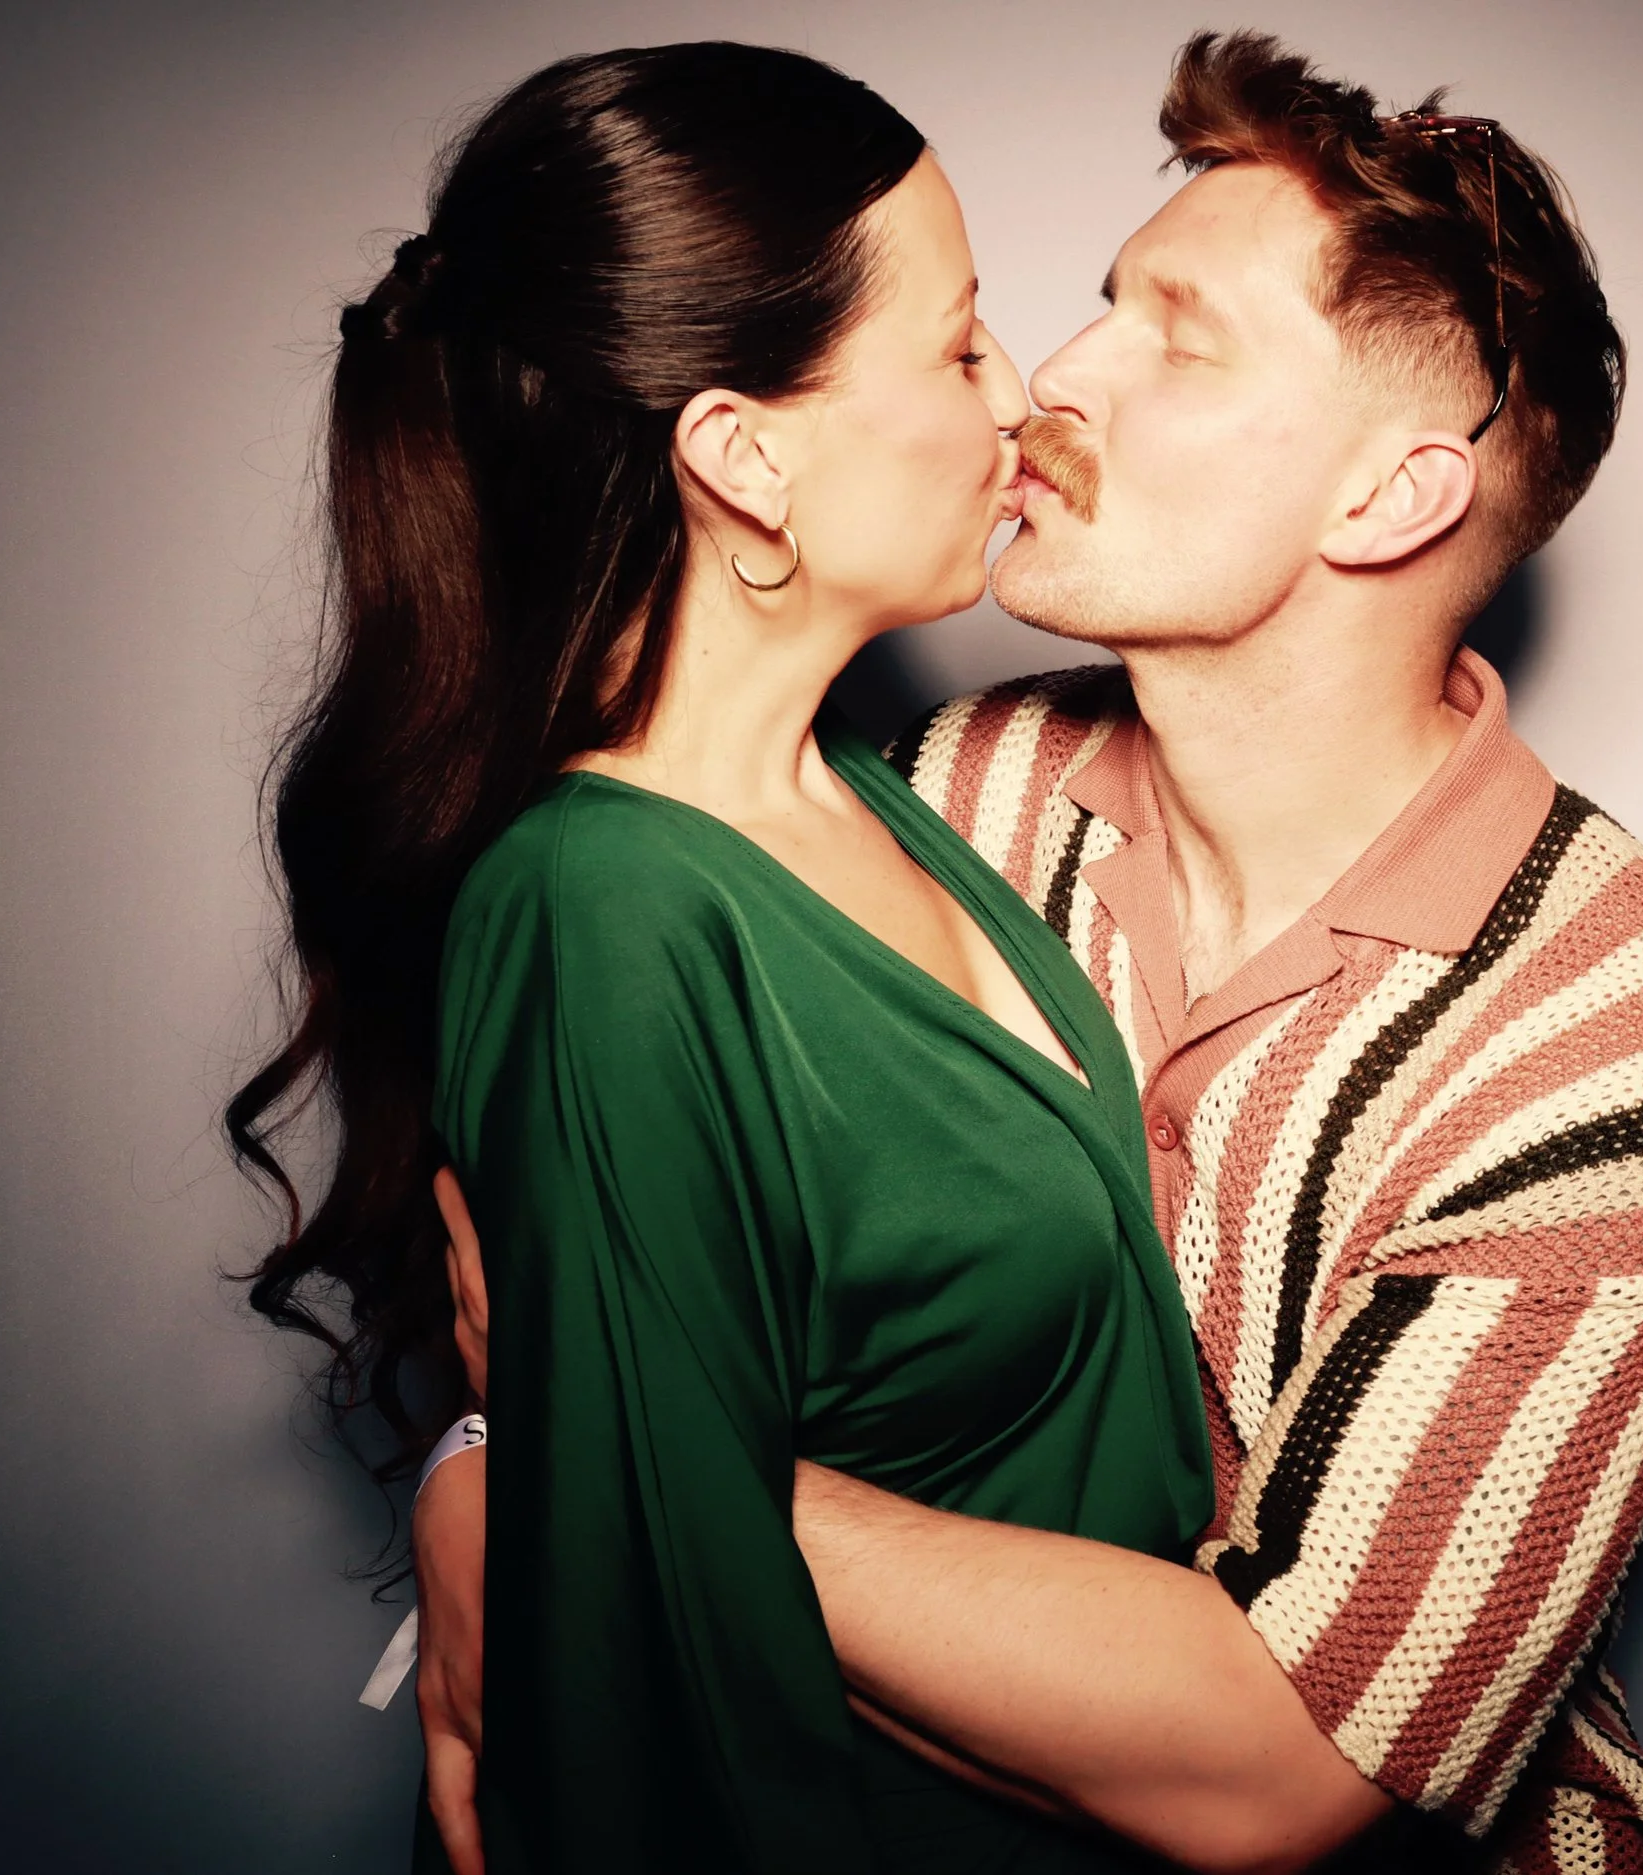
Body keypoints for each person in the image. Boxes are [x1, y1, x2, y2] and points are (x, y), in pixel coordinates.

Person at [419, 28, 1643, 1875]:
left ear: (1390, 498)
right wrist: (483, 1468)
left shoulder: (1620, 1060)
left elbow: (1276, 1771)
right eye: (1095, 307)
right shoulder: (945, 792)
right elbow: (651, 1225)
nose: (1058, 377)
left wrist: (599, 1463)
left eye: (1180, 340)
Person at [227, 41, 1225, 1875]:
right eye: (956, 339)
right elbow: (649, 1705)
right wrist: (514, 1463)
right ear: (741, 454)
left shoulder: (882, 802)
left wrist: (494, 1443)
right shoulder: (606, 911)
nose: (1018, 397)